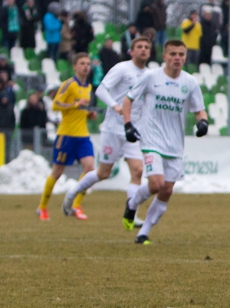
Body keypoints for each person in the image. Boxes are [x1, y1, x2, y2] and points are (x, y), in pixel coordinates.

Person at [122, 40, 208, 245]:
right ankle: (132, 204)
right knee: (156, 183)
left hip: (175, 145)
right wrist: (128, 124)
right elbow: (128, 99)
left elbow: (199, 110)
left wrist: (203, 122)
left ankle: (144, 232)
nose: (177, 58)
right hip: (151, 139)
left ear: (185, 57)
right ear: (164, 57)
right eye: (173, 54)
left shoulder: (190, 82)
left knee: (167, 190)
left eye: (181, 54)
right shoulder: (151, 77)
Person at [63, 37, 153, 228]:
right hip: (113, 129)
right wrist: (115, 106)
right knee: (103, 173)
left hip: (133, 130)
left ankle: (131, 214)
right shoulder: (122, 68)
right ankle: (72, 194)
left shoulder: (150, 75)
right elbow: (101, 90)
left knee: (137, 171)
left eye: (146, 47)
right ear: (132, 51)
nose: (143, 50)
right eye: (139, 47)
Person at [36, 53, 97, 221]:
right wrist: (75, 104)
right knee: (57, 172)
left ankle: (76, 205)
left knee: (90, 170)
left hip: (83, 135)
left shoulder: (88, 87)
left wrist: (88, 114)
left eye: (87, 63)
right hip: (66, 135)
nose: (86, 66)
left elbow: (80, 110)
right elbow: (56, 104)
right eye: (82, 63)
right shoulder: (68, 84)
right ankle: (42, 207)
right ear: (75, 66)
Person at [0, 72, 16, 158]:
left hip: (7, 129)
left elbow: (12, 118)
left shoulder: (9, 107)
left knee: (7, 150)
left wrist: (12, 128)